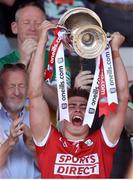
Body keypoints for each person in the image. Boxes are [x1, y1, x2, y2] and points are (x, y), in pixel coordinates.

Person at [28, 15, 129, 178]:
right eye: (72, 106)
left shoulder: (102, 143)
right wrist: (42, 41)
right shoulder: (48, 142)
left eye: (83, 107)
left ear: (90, 113)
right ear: (62, 112)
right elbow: (34, 94)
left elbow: (123, 98)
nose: (78, 110)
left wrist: (115, 51)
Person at [0, 1, 71, 112]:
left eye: (38, 24)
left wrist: (33, 70)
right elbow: (4, 104)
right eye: (26, 22)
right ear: (14, 28)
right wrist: (23, 62)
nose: (32, 28)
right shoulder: (3, 63)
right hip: (11, 127)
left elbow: (62, 106)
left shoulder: (59, 60)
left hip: (47, 127)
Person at [0, 63, 40, 178]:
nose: (17, 92)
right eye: (11, 86)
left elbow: (52, 168)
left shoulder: (39, 119)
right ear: (1, 90)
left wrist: (33, 146)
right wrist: (9, 142)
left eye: (21, 86)